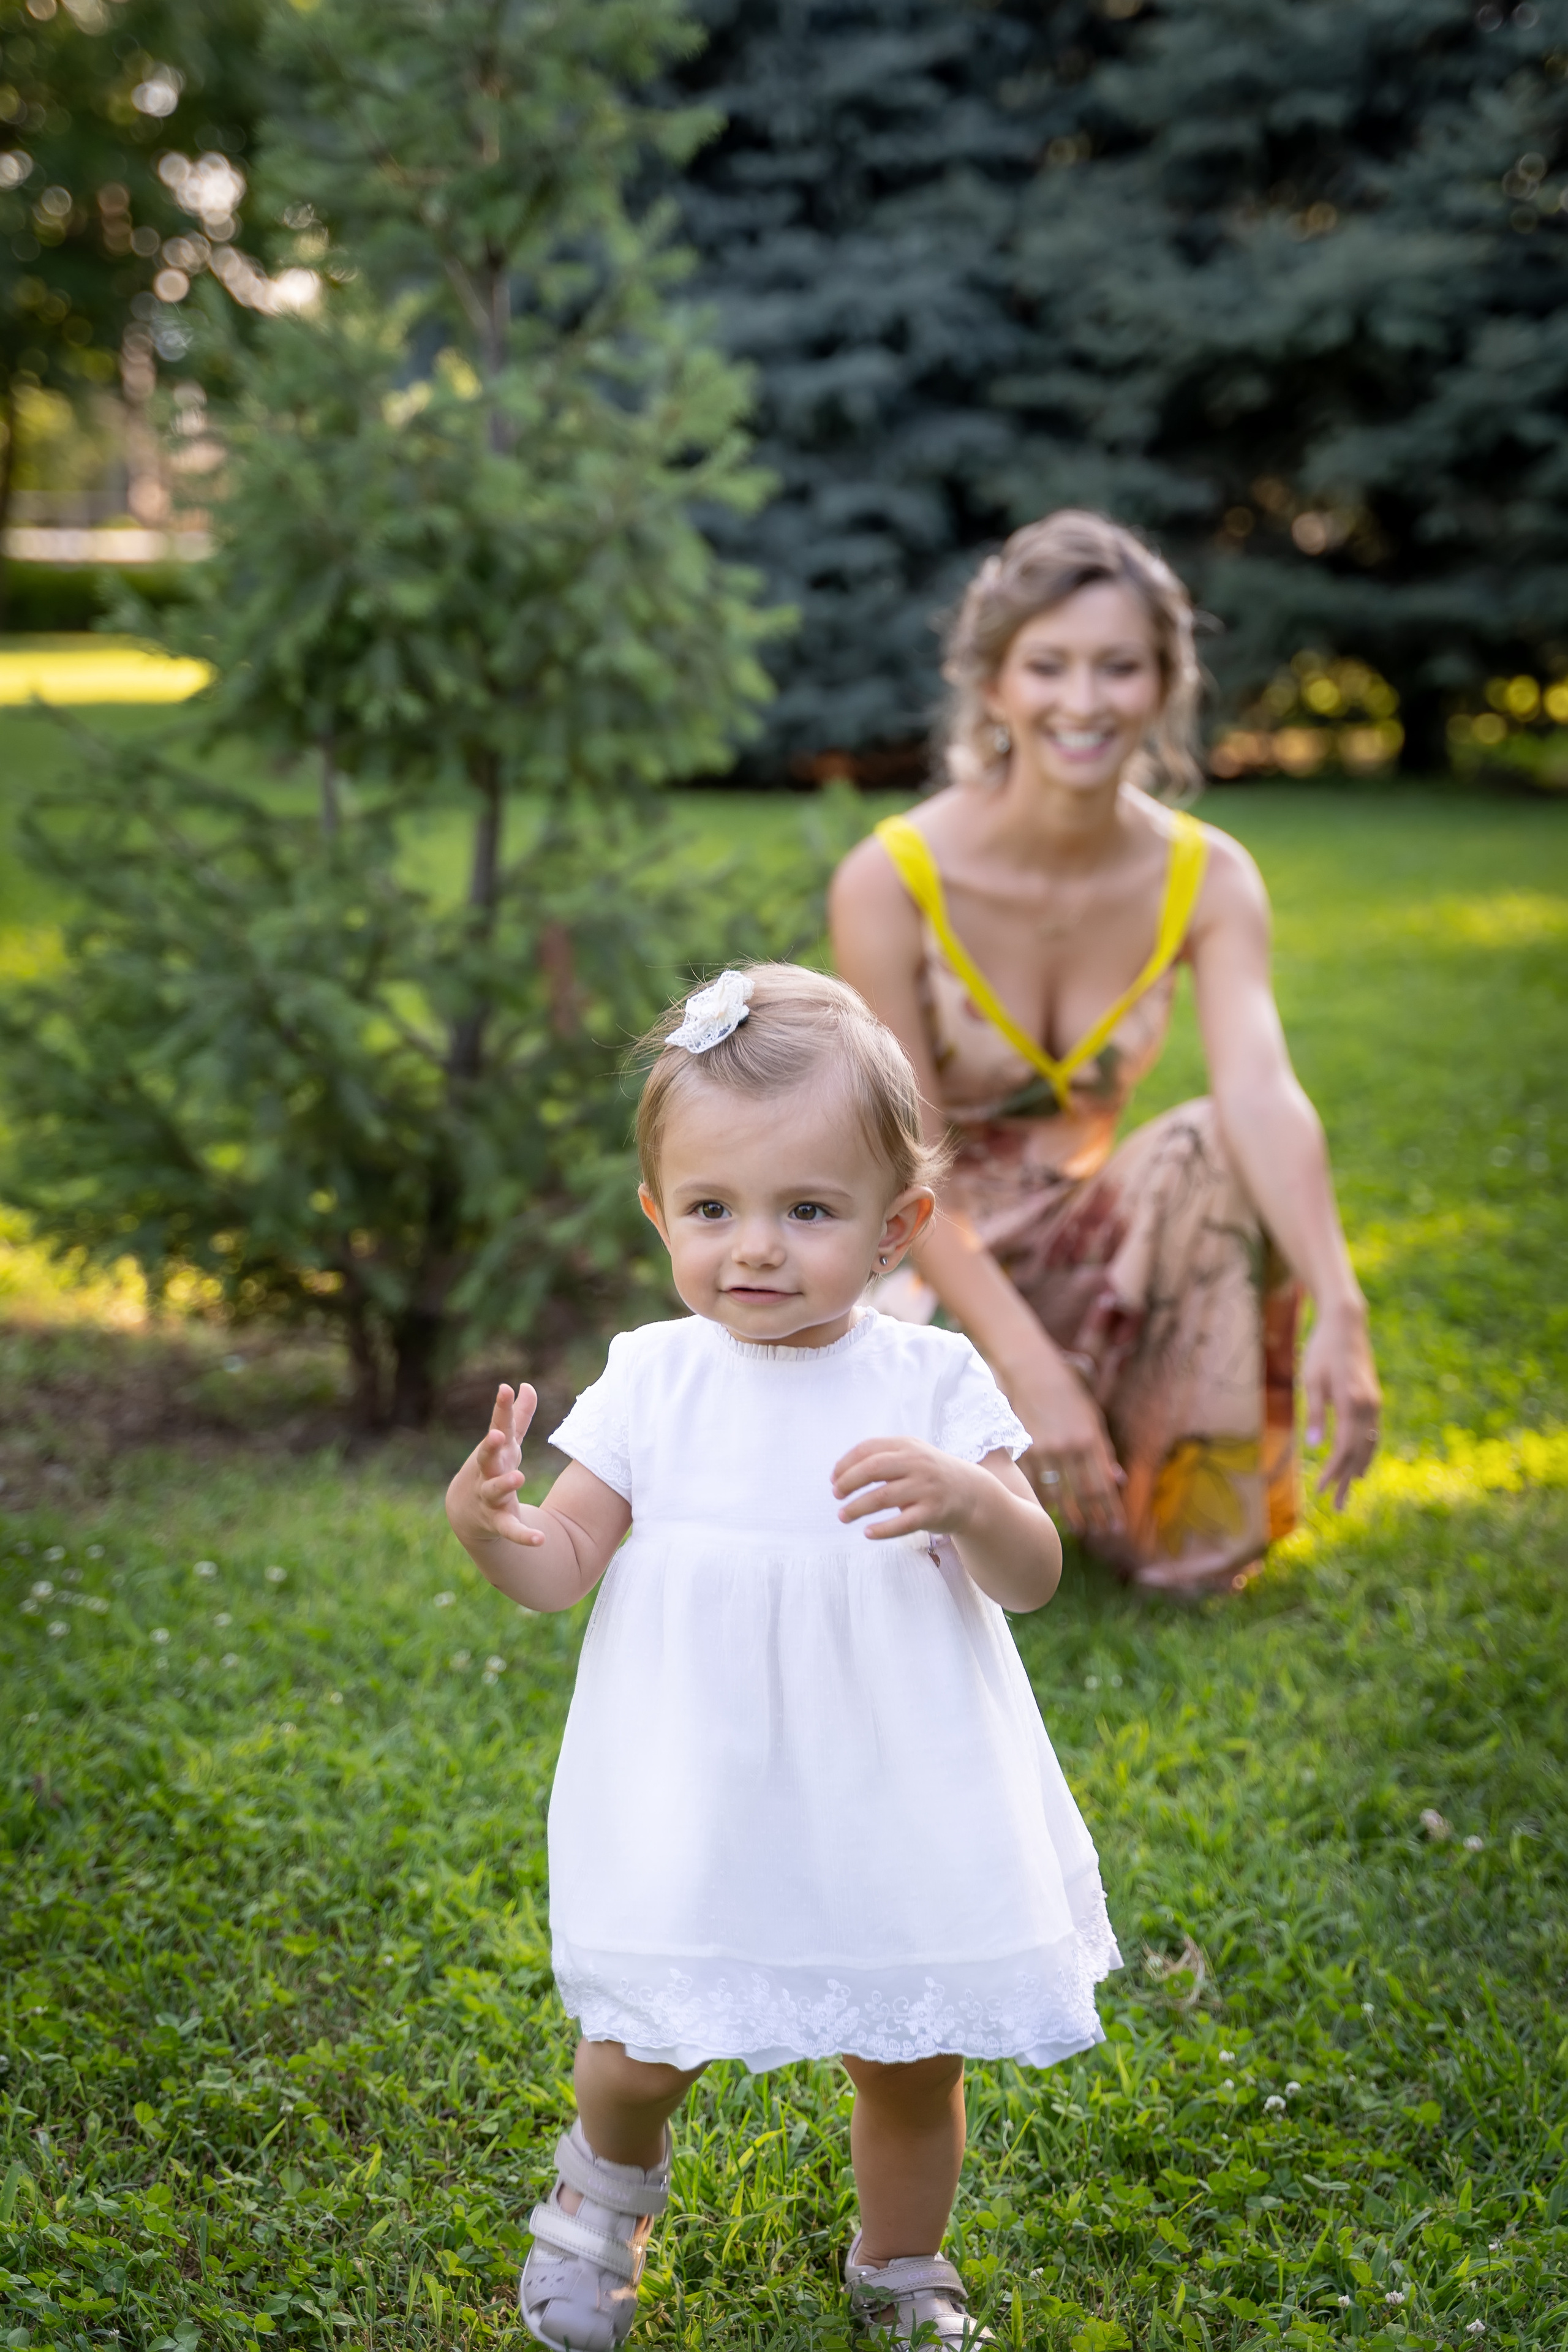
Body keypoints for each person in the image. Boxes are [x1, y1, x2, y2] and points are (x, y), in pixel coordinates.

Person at [446, 963, 1120, 2351]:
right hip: (701, 1781)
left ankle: (903, 2264)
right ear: (658, 1213)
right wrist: (490, 1528)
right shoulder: (651, 1377)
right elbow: (558, 1570)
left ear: (897, 1228)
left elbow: (1033, 1578)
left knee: (908, 2054)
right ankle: (597, 2205)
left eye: (805, 1212)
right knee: (639, 2048)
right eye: (711, 1210)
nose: (753, 1248)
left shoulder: (930, 1389)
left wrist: (971, 1499)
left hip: (893, 1782)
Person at [829, 510, 1382, 1598]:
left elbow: (1262, 1094)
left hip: (1090, 1248)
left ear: (1164, 685)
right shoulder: (891, 878)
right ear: (993, 684)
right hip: (925, 1265)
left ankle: (1170, 1511)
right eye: (1049, 666)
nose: (1083, 703)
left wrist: (1340, 1302)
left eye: (1118, 668)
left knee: (1214, 1142)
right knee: (880, 1540)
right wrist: (1028, 1369)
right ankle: (1016, 1449)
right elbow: (902, 1159)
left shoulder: (1209, 878)